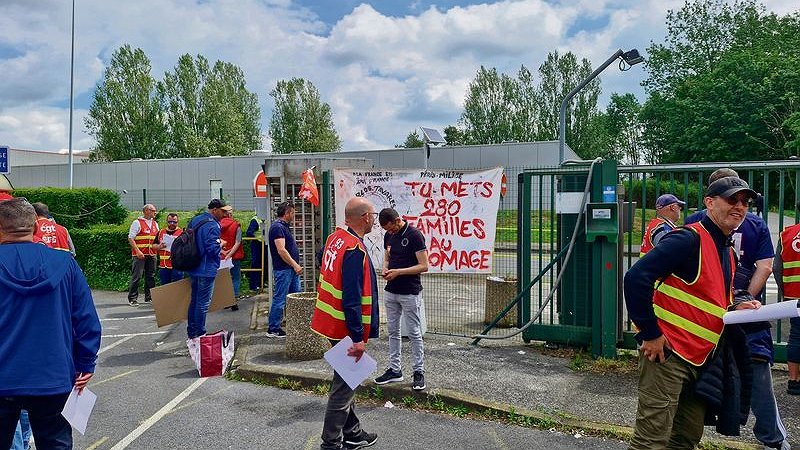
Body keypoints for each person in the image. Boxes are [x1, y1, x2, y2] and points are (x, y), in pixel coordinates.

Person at [624, 177, 762, 450]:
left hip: (701, 359)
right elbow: (636, 277)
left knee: (685, 438)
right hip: (668, 355)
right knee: (650, 441)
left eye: (745, 202)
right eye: (732, 199)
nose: (740, 206)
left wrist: (735, 307)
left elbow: (708, 299)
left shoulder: (727, 249)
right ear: (710, 203)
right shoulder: (689, 238)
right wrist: (650, 334)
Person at [686, 169, 788, 449]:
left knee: (701, 374)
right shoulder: (754, 224)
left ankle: (689, 434)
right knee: (758, 375)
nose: (738, 205)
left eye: (743, 199)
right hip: (745, 314)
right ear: (713, 198)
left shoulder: (694, 223)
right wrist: (741, 301)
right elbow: (765, 266)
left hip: (706, 315)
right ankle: (773, 440)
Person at [0, 198, 101, 450]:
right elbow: (86, 319)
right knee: (55, 443)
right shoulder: (65, 264)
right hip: (52, 374)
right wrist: (86, 362)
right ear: (36, 228)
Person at [311, 197, 379, 450]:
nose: (374, 219)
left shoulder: (335, 238)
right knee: (344, 387)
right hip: (345, 328)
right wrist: (358, 338)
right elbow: (351, 297)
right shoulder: (354, 249)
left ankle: (352, 433)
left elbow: (324, 264)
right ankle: (331, 443)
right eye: (372, 214)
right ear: (364, 218)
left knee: (349, 379)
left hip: (329, 321)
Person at [373, 208, 429, 390]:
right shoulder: (389, 236)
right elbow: (387, 257)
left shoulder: (414, 235)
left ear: (398, 220)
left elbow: (424, 265)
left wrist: (399, 272)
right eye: (387, 230)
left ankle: (418, 372)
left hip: (410, 291)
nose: (390, 233)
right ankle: (395, 370)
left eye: (392, 228)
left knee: (414, 333)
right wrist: (385, 268)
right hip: (391, 290)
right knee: (393, 331)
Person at [186, 199, 225, 339]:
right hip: (206, 269)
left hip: (193, 265)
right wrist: (221, 244)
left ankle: (192, 333)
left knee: (194, 300)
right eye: (223, 211)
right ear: (214, 210)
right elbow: (212, 249)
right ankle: (200, 334)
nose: (224, 214)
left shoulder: (196, 220)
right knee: (202, 303)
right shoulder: (213, 225)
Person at [774, 200, 800, 397]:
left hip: (794, 295)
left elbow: (776, 268)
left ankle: (793, 380)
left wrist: (785, 291)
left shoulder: (786, 234)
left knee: (796, 337)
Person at [266, 201, 302, 338]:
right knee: (280, 299)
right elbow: (281, 250)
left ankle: (296, 325)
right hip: (285, 269)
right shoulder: (277, 228)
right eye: (293, 212)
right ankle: (273, 328)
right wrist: (295, 265)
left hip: (290, 270)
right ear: (287, 213)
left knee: (296, 297)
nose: (294, 214)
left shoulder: (283, 227)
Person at [127, 203, 159, 306]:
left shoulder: (155, 223)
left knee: (151, 276)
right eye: (153, 210)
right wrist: (137, 251)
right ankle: (132, 298)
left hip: (152, 254)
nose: (155, 212)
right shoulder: (137, 222)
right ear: (146, 211)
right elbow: (130, 238)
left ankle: (149, 297)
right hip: (139, 255)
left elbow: (157, 239)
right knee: (137, 276)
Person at [219, 205, 243, 311]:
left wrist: (223, 252)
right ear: (230, 214)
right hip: (235, 256)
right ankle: (234, 300)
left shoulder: (217, 225)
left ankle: (225, 301)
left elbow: (214, 241)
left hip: (221, 257)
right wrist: (230, 254)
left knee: (223, 279)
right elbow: (238, 242)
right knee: (235, 278)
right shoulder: (236, 225)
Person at [155, 213, 183, 285]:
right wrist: (159, 246)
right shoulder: (161, 232)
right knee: (165, 287)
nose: (172, 224)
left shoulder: (182, 233)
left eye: (174, 222)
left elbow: (187, 248)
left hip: (177, 265)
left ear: (178, 222)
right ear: (166, 221)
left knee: (177, 286)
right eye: (170, 222)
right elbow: (153, 245)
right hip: (164, 265)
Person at [245, 215, 265, 291]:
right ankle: (253, 285)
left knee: (264, 264)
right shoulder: (255, 220)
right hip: (257, 244)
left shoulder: (266, 218)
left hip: (264, 244)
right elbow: (249, 232)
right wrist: (257, 239)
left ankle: (261, 283)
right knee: (256, 264)